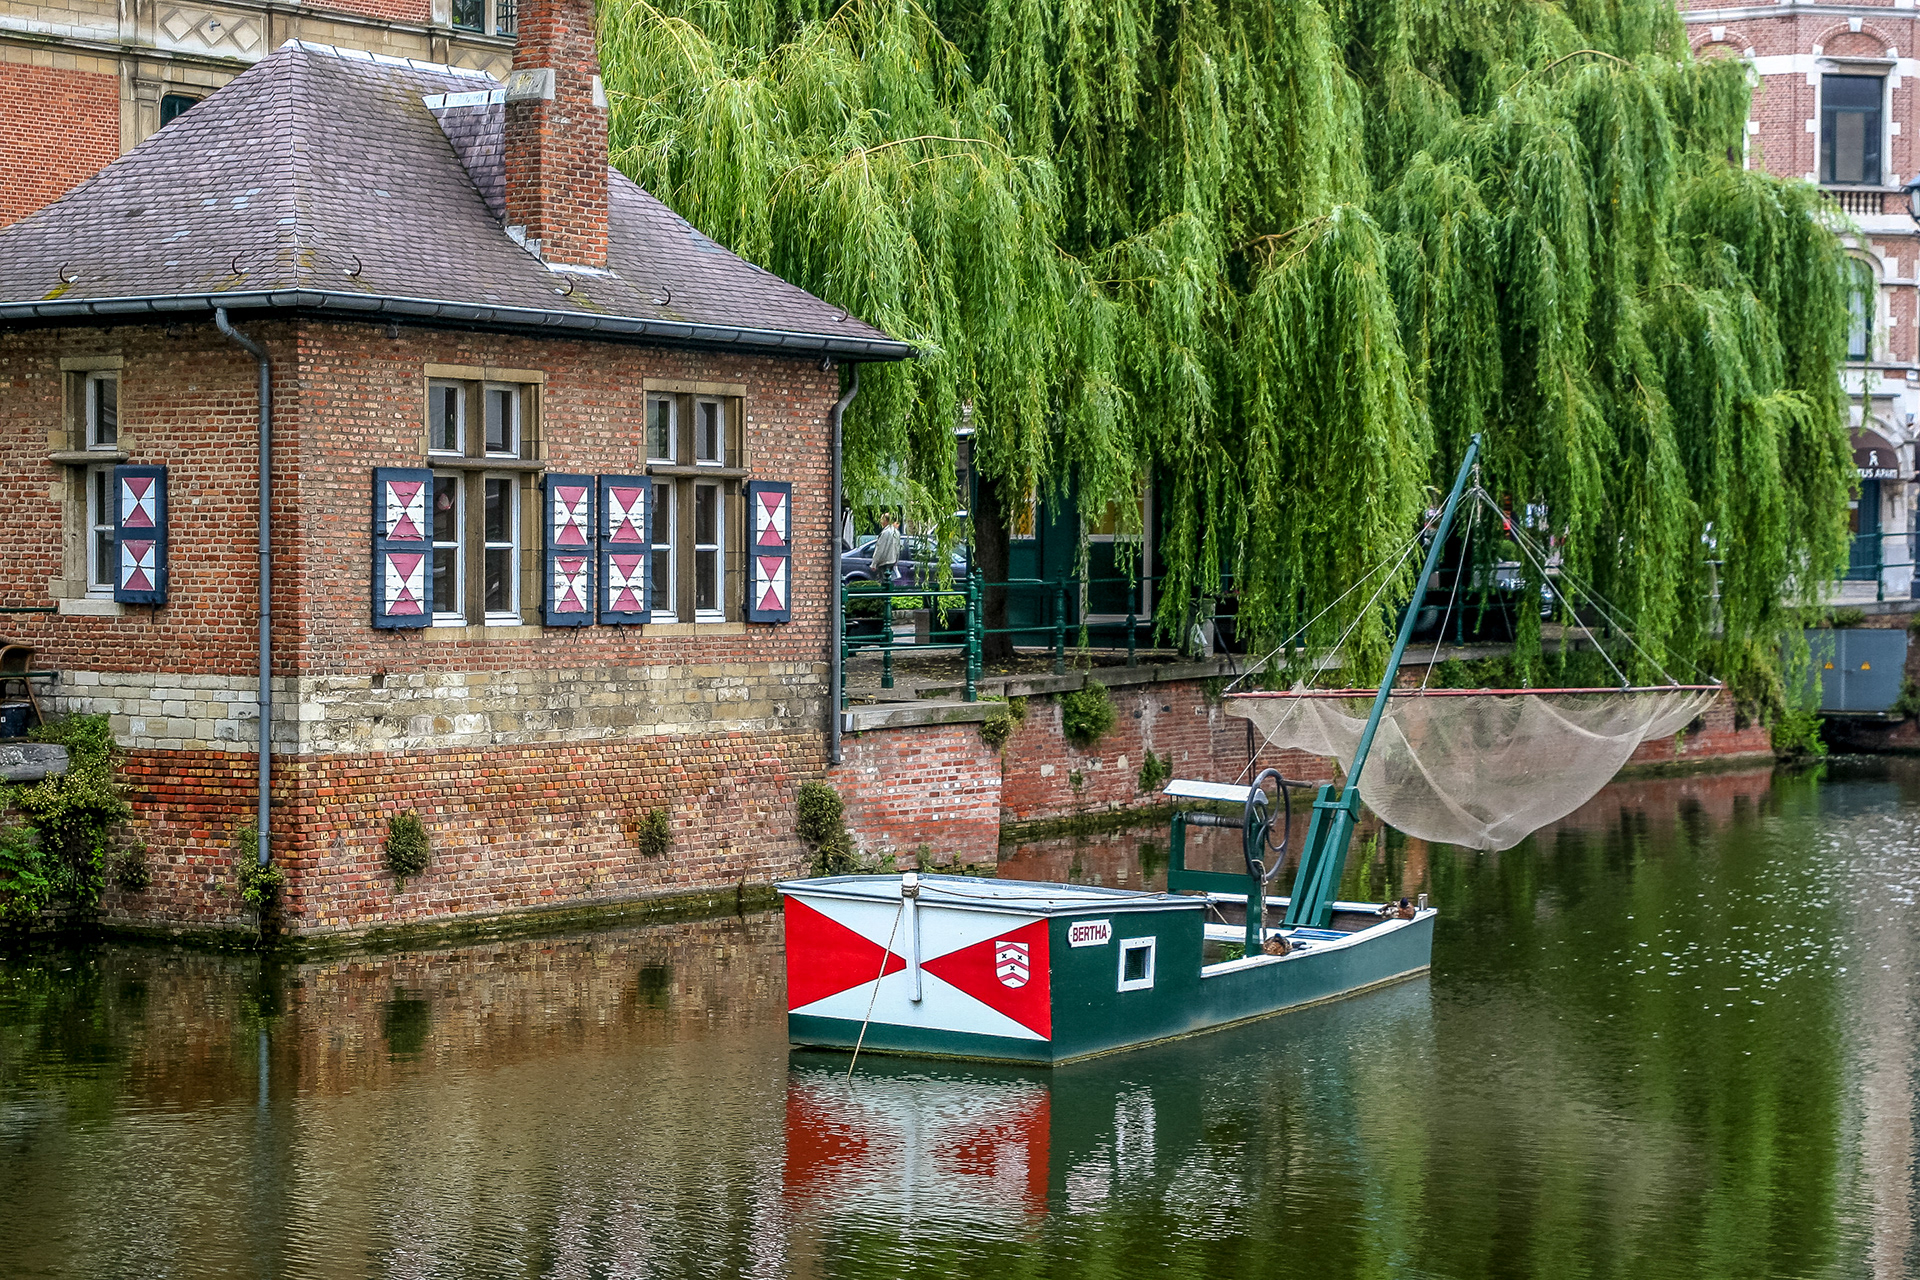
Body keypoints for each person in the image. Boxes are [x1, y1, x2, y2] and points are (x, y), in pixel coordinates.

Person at [871, 512, 902, 587]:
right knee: (888, 582)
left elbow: (880, 549)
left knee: (882, 582)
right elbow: (898, 548)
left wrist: (874, 563)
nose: (881, 522)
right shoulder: (896, 532)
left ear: (886, 521)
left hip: (884, 562)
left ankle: (883, 597)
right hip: (892, 560)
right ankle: (887, 596)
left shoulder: (885, 532)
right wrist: (896, 561)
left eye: (882, 520)